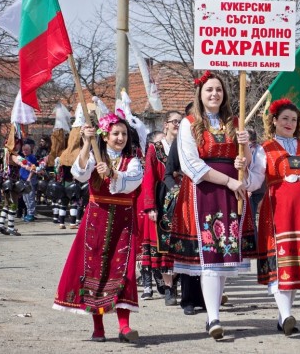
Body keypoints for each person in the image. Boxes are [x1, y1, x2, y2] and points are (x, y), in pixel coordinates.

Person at [169, 70, 256, 340]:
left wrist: (246, 151)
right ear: (200, 93)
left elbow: (247, 163)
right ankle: (213, 317)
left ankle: (214, 312)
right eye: (209, 89)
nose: (214, 94)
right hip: (203, 192)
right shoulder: (189, 123)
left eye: (218, 89)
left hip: (233, 193)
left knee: (225, 258)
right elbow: (191, 165)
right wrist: (229, 181)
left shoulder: (235, 122)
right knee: (209, 257)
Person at [244, 98, 300, 336]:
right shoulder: (265, 149)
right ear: (273, 121)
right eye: (284, 118)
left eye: (293, 120)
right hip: (277, 212)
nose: (289, 123)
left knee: (295, 266)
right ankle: (285, 315)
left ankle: (283, 317)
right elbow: (253, 181)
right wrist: (241, 170)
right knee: (280, 263)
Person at [53, 111, 143, 343]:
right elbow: (79, 174)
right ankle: (98, 327)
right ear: (105, 136)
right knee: (95, 270)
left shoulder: (132, 161)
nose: (120, 138)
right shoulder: (94, 156)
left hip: (124, 222)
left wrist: (112, 173)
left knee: (123, 271)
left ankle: (124, 327)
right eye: (115, 133)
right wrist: (85, 144)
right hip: (97, 220)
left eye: (123, 134)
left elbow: (132, 182)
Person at [163, 102, 207, 316]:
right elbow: (168, 174)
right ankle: (188, 299)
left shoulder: (211, 139)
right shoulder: (180, 142)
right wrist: (177, 192)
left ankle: (207, 298)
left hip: (209, 198)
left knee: (209, 249)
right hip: (187, 201)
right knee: (189, 250)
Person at [137, 111, 182, 305]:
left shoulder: (187, 147)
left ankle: (178, 284)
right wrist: (150, 207)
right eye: (174, 122)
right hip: (163, 200)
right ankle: (169, 287)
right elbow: (148, 178)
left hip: (184, 200)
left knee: (182, 245)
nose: (177, 125)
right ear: (166, 124)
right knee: (163, 247)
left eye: (181, 122)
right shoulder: (155, 149)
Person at [19, 143, 38, 222]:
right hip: (23, 180)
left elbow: (33, 169)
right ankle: (29, 213)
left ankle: (31, 214)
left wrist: (29, 178)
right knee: (25, 198)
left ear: (30, 150)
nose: (25, 151)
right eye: (23, 150)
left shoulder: (32, 158)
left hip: (29, 180)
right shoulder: (24, 158)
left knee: (30, 197)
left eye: (26, 150)